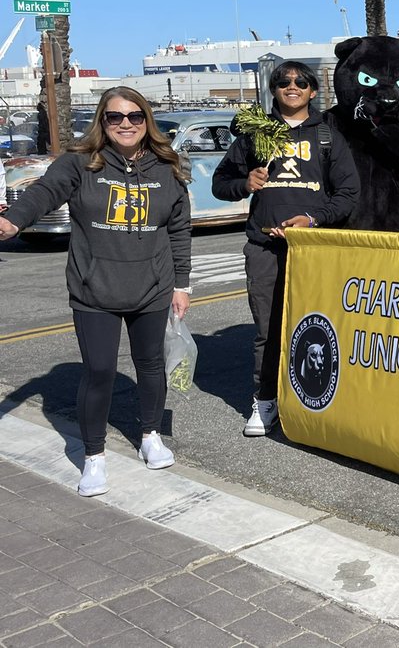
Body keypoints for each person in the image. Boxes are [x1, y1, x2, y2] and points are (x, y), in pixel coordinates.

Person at [0, 87, 192, 497]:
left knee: (151, 365)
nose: (126, 124)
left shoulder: (167, 166)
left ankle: (150, 434)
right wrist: (14, 221)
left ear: (147, 121)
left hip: (153, 287)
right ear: (102, 122)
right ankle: (94, 456)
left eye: (135, 116)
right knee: (100, 371)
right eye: (115, 117)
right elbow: (43, 192)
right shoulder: (80, 163)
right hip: (94, 289)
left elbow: (178, 230)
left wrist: (182, 284)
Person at [213, 62, 360, 437]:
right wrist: (245, 183)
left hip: (314, 251)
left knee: (321, 327)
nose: (291, 86)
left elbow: (348, 194)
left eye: (300, 82)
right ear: (274, 90)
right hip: (264, 249)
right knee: (268, 329)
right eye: (282, 82)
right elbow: (220, 184)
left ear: (313, 91)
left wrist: (312, 220)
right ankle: (265, 400)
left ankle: (322, 399)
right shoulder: (254, 135)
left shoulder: (327, 136)